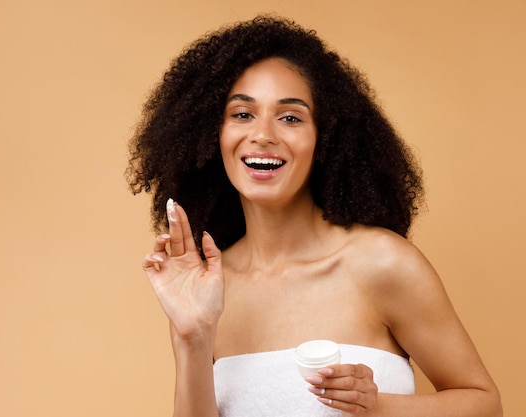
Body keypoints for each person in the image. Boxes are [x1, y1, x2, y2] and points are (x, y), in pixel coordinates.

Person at [127, 15, 502, 417]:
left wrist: (378, 407)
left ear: (325, 139)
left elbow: (485, 404)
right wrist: (193, 336)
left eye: (290, 117)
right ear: (209, 135)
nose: (264, 134)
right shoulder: (208, 292)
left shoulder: (382, 264)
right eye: (242, 114)